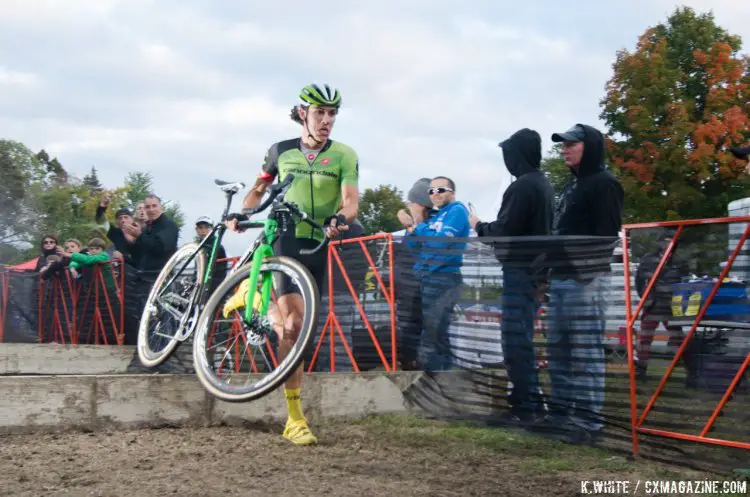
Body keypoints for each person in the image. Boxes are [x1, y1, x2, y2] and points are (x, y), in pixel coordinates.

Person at [224, 83, 359, 445]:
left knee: (292, 326)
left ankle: (251, 297)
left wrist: (341, 220)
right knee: (293, 327)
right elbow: (258, 189)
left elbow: (350, 201)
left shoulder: (344, 155)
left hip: (320, 241)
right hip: (285, 238)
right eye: (319, 112)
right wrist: (245, 211)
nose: (326, 120)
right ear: (303, 113)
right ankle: (294, 418)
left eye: (332, 114)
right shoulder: (280, 151)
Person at [543, 123, 624, 445]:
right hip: (561, 280)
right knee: (559, 351)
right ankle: (561, 415)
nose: (564, 149)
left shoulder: (605, 184)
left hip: (586, 281)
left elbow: (607, 234)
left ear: (588, 147)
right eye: (563, 144)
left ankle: (588, 423)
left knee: (585, 353)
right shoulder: (570, 187)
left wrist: (586, 273)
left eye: (571, 144)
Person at [470, 128, 555, 424]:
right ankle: (529, 403)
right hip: (533, 273)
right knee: (521, 339)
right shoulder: (543, 185)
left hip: (521, 272)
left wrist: (480, 226)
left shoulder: (523, 187)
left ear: (518, 156)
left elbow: (506, 231)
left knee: (516, 341)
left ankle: (526, 407)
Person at [399, 176, 470, 371]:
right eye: (431, 191)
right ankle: (439, 378)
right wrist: (415, 223)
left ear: (452, 192)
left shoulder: (457, 210)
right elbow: (416, 248)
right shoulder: (437, 216)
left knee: (435, 331)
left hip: (445, 277)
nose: (435, 194)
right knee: (432, 331)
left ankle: (439, 379)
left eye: (441, 189)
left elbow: (440, 243)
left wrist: (416, 227)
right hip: (428, 277)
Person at [195, 216, 228, 292]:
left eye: (207, 227)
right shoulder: (198, 245)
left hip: (213, 284)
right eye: (200, 227)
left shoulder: (217, 245)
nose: (203, 230)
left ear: (212, 229)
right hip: (200, 282)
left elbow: (221, 271)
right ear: (196, 230)